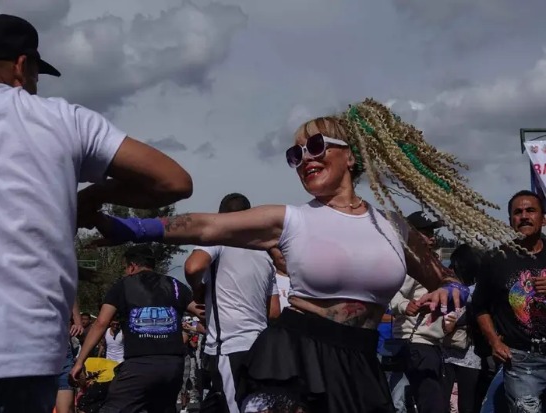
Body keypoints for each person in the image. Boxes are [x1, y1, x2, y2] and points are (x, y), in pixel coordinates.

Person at [87, 99, 519, 412]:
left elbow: (444, 278)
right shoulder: (292, 219)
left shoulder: (394, 227)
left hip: (361, 359)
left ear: (351, 156)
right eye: (296, 155)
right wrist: (127, 227)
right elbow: (206, 226)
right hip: (297, 355)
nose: (304, 160)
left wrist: (449, 289)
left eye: (315, 146)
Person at [0, 12, 193, 413]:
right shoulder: (64, 119)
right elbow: (173, 181)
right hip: (29, 354)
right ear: (22, 67)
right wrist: (92, 197)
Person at [70, 245, 199, 413]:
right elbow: (200, 311)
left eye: (125, 267)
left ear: (132, 266)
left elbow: (101, 323)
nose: (125, 272)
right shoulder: (175, 285)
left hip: (140, 365)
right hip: (172, 366)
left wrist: (80, 361)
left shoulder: (123, 286)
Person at [183, 193, 280, 413]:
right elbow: (274, 311)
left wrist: (198, 292)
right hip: (260, 347)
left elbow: (192, 266)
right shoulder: (264, 254)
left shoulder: (220, 240)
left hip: (229, 346)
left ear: (221, 217)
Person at [474, 190, 546, 413]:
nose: (524, 216)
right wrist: (494, 342)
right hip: (521, 360)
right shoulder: (496, 259)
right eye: (518, 212)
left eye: (530, 210)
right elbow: (479, 307)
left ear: (543, 218)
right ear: (510, 221)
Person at [389, 211, 448, 413]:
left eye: (432, 232)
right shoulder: (411, 263)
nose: (432, 237)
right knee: (430, 405)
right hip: (416, 343)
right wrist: (404, 305)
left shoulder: (430, 262)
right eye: (426, 232)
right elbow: (391, 291)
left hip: (430, 343)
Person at [441, 244, 485, 413]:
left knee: (467, 404)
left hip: (470, 355)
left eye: (454, 265)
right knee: (445, 402)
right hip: (448, 352)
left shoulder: (477, 290)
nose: (451, 269)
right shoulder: (448, 288)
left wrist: (456, 322)